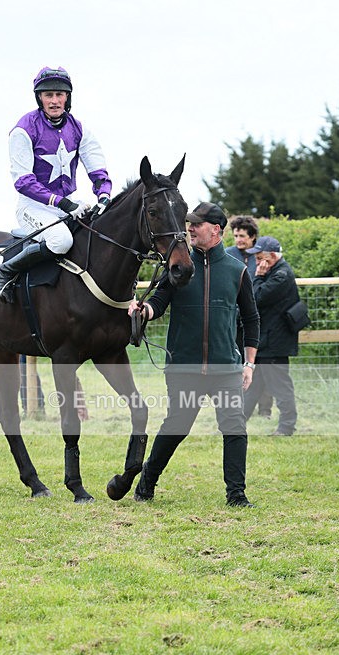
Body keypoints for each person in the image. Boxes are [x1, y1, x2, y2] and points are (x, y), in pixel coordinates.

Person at [128, 202, 260, 507]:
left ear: (215, 230)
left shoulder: (237, 270)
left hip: (225, 368)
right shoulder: (178, 266)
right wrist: (143, 311)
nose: (190, 228)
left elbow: (252, 319)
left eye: (196, 224)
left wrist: (249, 363)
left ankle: (236, 495)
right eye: (189, 223)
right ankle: (146, 483)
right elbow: (158, 302)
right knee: (177, 426)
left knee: (234, 427)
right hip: (183, 367)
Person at [0, 66, 112, 303]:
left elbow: (97, 170)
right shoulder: (23, 129)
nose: (54, 101)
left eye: (59, 94)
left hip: (66, 204)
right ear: (40, 98)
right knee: (62, 240)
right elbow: (23, 181)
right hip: (33, 207)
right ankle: (4, 271)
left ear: (67, 97)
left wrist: (104, 196)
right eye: (49, 95)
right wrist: (61, 203)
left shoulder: (79, 129)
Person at [242, 235, 299, 436]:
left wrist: (258, 276)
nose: (257, 262)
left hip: (275, 342)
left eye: (260, 258)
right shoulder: (274, 272)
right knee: (252, 386)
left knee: (280, 387)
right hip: (267, 340)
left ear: (272, 256)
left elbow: (255, 298)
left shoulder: (280, 276)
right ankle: (234, 425)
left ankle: (287, 427)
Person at [226, 215, 273, 420]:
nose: (238, 240)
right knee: (238, 363)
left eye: (242, 236)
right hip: (234, 319)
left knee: (261, 366)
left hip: (257, 319)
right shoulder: (228, 254)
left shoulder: (261, 257)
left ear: (253, 237)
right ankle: (240, 406)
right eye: (236, 236)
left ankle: (265, 409)